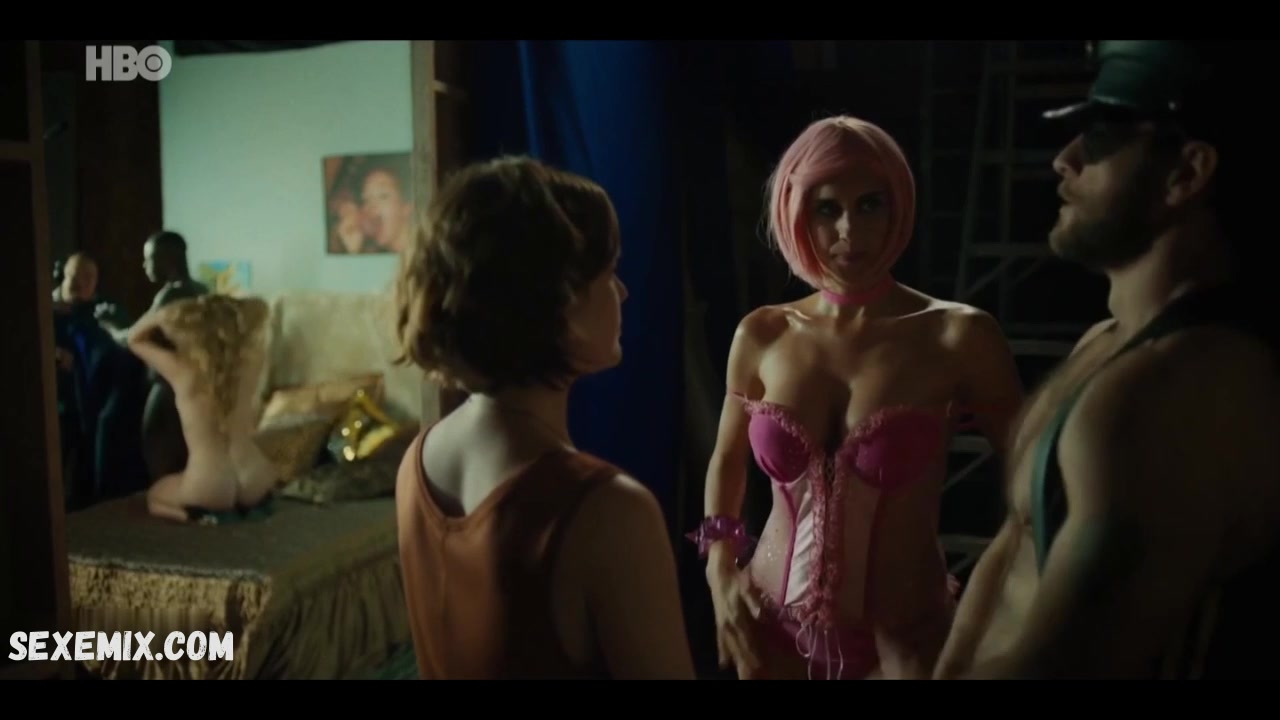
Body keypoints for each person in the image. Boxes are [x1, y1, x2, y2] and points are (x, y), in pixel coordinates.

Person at [933, 41, 1280, 680]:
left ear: (1186, 173)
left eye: (1099, 139)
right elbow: (1010, 554)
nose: (1064, 160)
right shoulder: (1105, 343)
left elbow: (1066, 663)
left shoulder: (1177, 391)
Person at [691, 115, 1024, 680]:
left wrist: (995, 604)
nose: (849, 230)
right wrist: (719, 568)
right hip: (769, 631)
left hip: (907, 641)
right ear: (797, 213)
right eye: (828, 209)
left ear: (898, 207)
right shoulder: (762, 333)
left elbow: (1036, 483)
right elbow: (727, 459)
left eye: (870, 205)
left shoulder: (959, 336)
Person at [392, 155, 695, 679]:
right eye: (608, 272)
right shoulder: (609, 511)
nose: (623, 291)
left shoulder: (417, 460)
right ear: (560, 303)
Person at [127, 294, 277, 524]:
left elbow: (134, 339)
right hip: (254, 475)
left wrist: (163, 314)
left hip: (210, 482)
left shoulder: (184, 372)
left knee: (155, 494)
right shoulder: (250, 363)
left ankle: (194, 515)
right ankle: (253, 507)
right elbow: (260, 313)